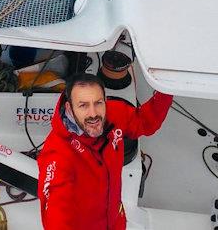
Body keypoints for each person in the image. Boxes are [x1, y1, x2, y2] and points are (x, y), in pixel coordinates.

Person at [37, 73, 173, 230]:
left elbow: (146, 122)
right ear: (69, 108)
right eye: (83, 105)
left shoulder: (114, 114)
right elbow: (56, 216)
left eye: (98, 103)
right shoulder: (58, 155)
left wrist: (166, 89)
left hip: (115, 221)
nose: (93, 114)